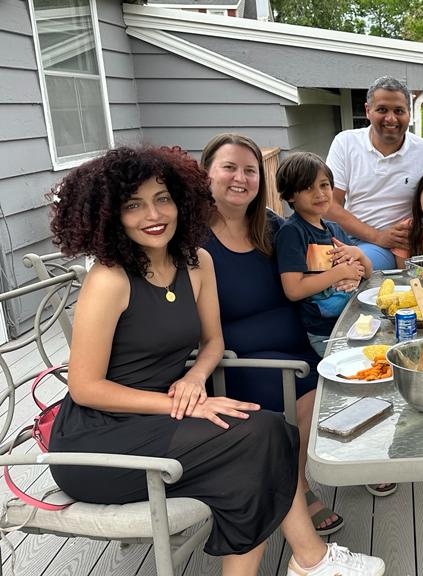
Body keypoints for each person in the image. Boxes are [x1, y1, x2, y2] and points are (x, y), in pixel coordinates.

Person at [47, 145, 385, 576]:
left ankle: (310, 559)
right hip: (99, 442)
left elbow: (212, 342)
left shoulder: (195, 262)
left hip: (167, 419)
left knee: (261, 445)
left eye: (163, 198)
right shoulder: (110, 279)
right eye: (134, 205)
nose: (154, 214)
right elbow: (86, 388)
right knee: (260, 437)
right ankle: (312, 559)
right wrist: (186, 403)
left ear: (182, 200)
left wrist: (196, 378)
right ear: (111, 214)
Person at [200, 134, 341, 536]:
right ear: (207, 174)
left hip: (301, 342)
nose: (240, 178)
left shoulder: (273, 226)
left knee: (358, 372)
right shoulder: (192, 240)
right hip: (242, 361)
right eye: (229, 167)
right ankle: (295, 488)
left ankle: (349, 461)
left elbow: (313, 264)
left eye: (250, 170)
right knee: (312, 395)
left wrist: (348, 258)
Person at [325, 76, 423, 271]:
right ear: (368, 110)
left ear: (409, 114)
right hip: (347, 237)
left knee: (348, 268)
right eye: (382, 109)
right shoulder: (346, 143)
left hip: (395, 247)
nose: (391, 118)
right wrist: (377, 235)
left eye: (399, 111)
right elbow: (330, 205)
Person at [276, 151, 371, 358]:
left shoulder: (334, 230)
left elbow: (368, 272)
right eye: (308, 187)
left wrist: (358, 254)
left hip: (353, 320)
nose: (319, 193)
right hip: (324, 331)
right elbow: (293, 289)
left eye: (324, 185)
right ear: (290, 195)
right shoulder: (293, 232)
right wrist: (340, 272)